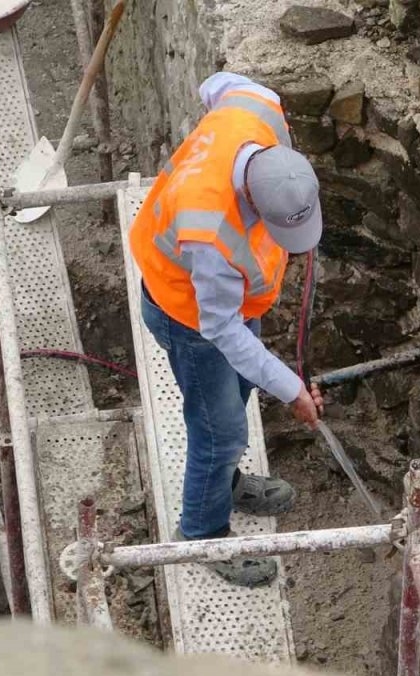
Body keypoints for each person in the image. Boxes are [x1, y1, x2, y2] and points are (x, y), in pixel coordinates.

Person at [129, 72, 325, 588]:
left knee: (235, 396)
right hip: (187, 313)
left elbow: (216, 84)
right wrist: (292, 391)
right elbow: (222, 329)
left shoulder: (257, 109)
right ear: (253, 204)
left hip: (228, 304)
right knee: (221, 431)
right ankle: (202, 532)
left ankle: (226, 484)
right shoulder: (210, 232)